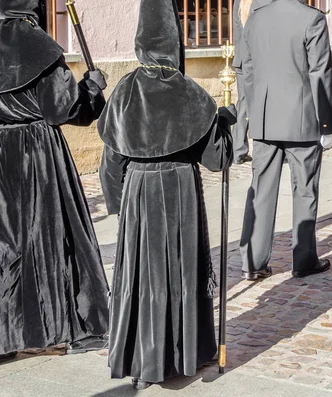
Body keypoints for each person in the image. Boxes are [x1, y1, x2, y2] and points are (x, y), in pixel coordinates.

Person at [97, 0, 234, 389]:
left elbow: (111, 161)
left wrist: (119, 205)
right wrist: (224, 119)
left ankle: (144, 360)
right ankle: (181, 354)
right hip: (178, 191)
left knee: (142, 275)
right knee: (179, 270)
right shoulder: (190, 91)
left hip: (139, 191)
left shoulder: (125, 89)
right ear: (176, 42)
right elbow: (217, 160)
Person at [0, 0, 109, 360]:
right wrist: (92, 89)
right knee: (48, 237)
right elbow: (67, 109)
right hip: (37, 156)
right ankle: (54, 328)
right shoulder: (39, 46)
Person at [239, 0, 332, 280]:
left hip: (266, 118)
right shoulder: (311, 19)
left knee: (261, 190)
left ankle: (253, 263)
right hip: (301, 118)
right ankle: (304, 260)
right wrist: (326, 123)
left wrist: (256, 113)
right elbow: (320, 74)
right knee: (304, 189)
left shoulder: (255, 18)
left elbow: (248, 72)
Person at [232, 0, 273, 164]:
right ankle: (262, 147)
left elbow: (237, 34)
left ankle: (238, 149)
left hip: (241, 59)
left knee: (243, 104)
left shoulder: (239, 3)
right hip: (256, 59)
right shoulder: (263, 3)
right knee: (263, 104)